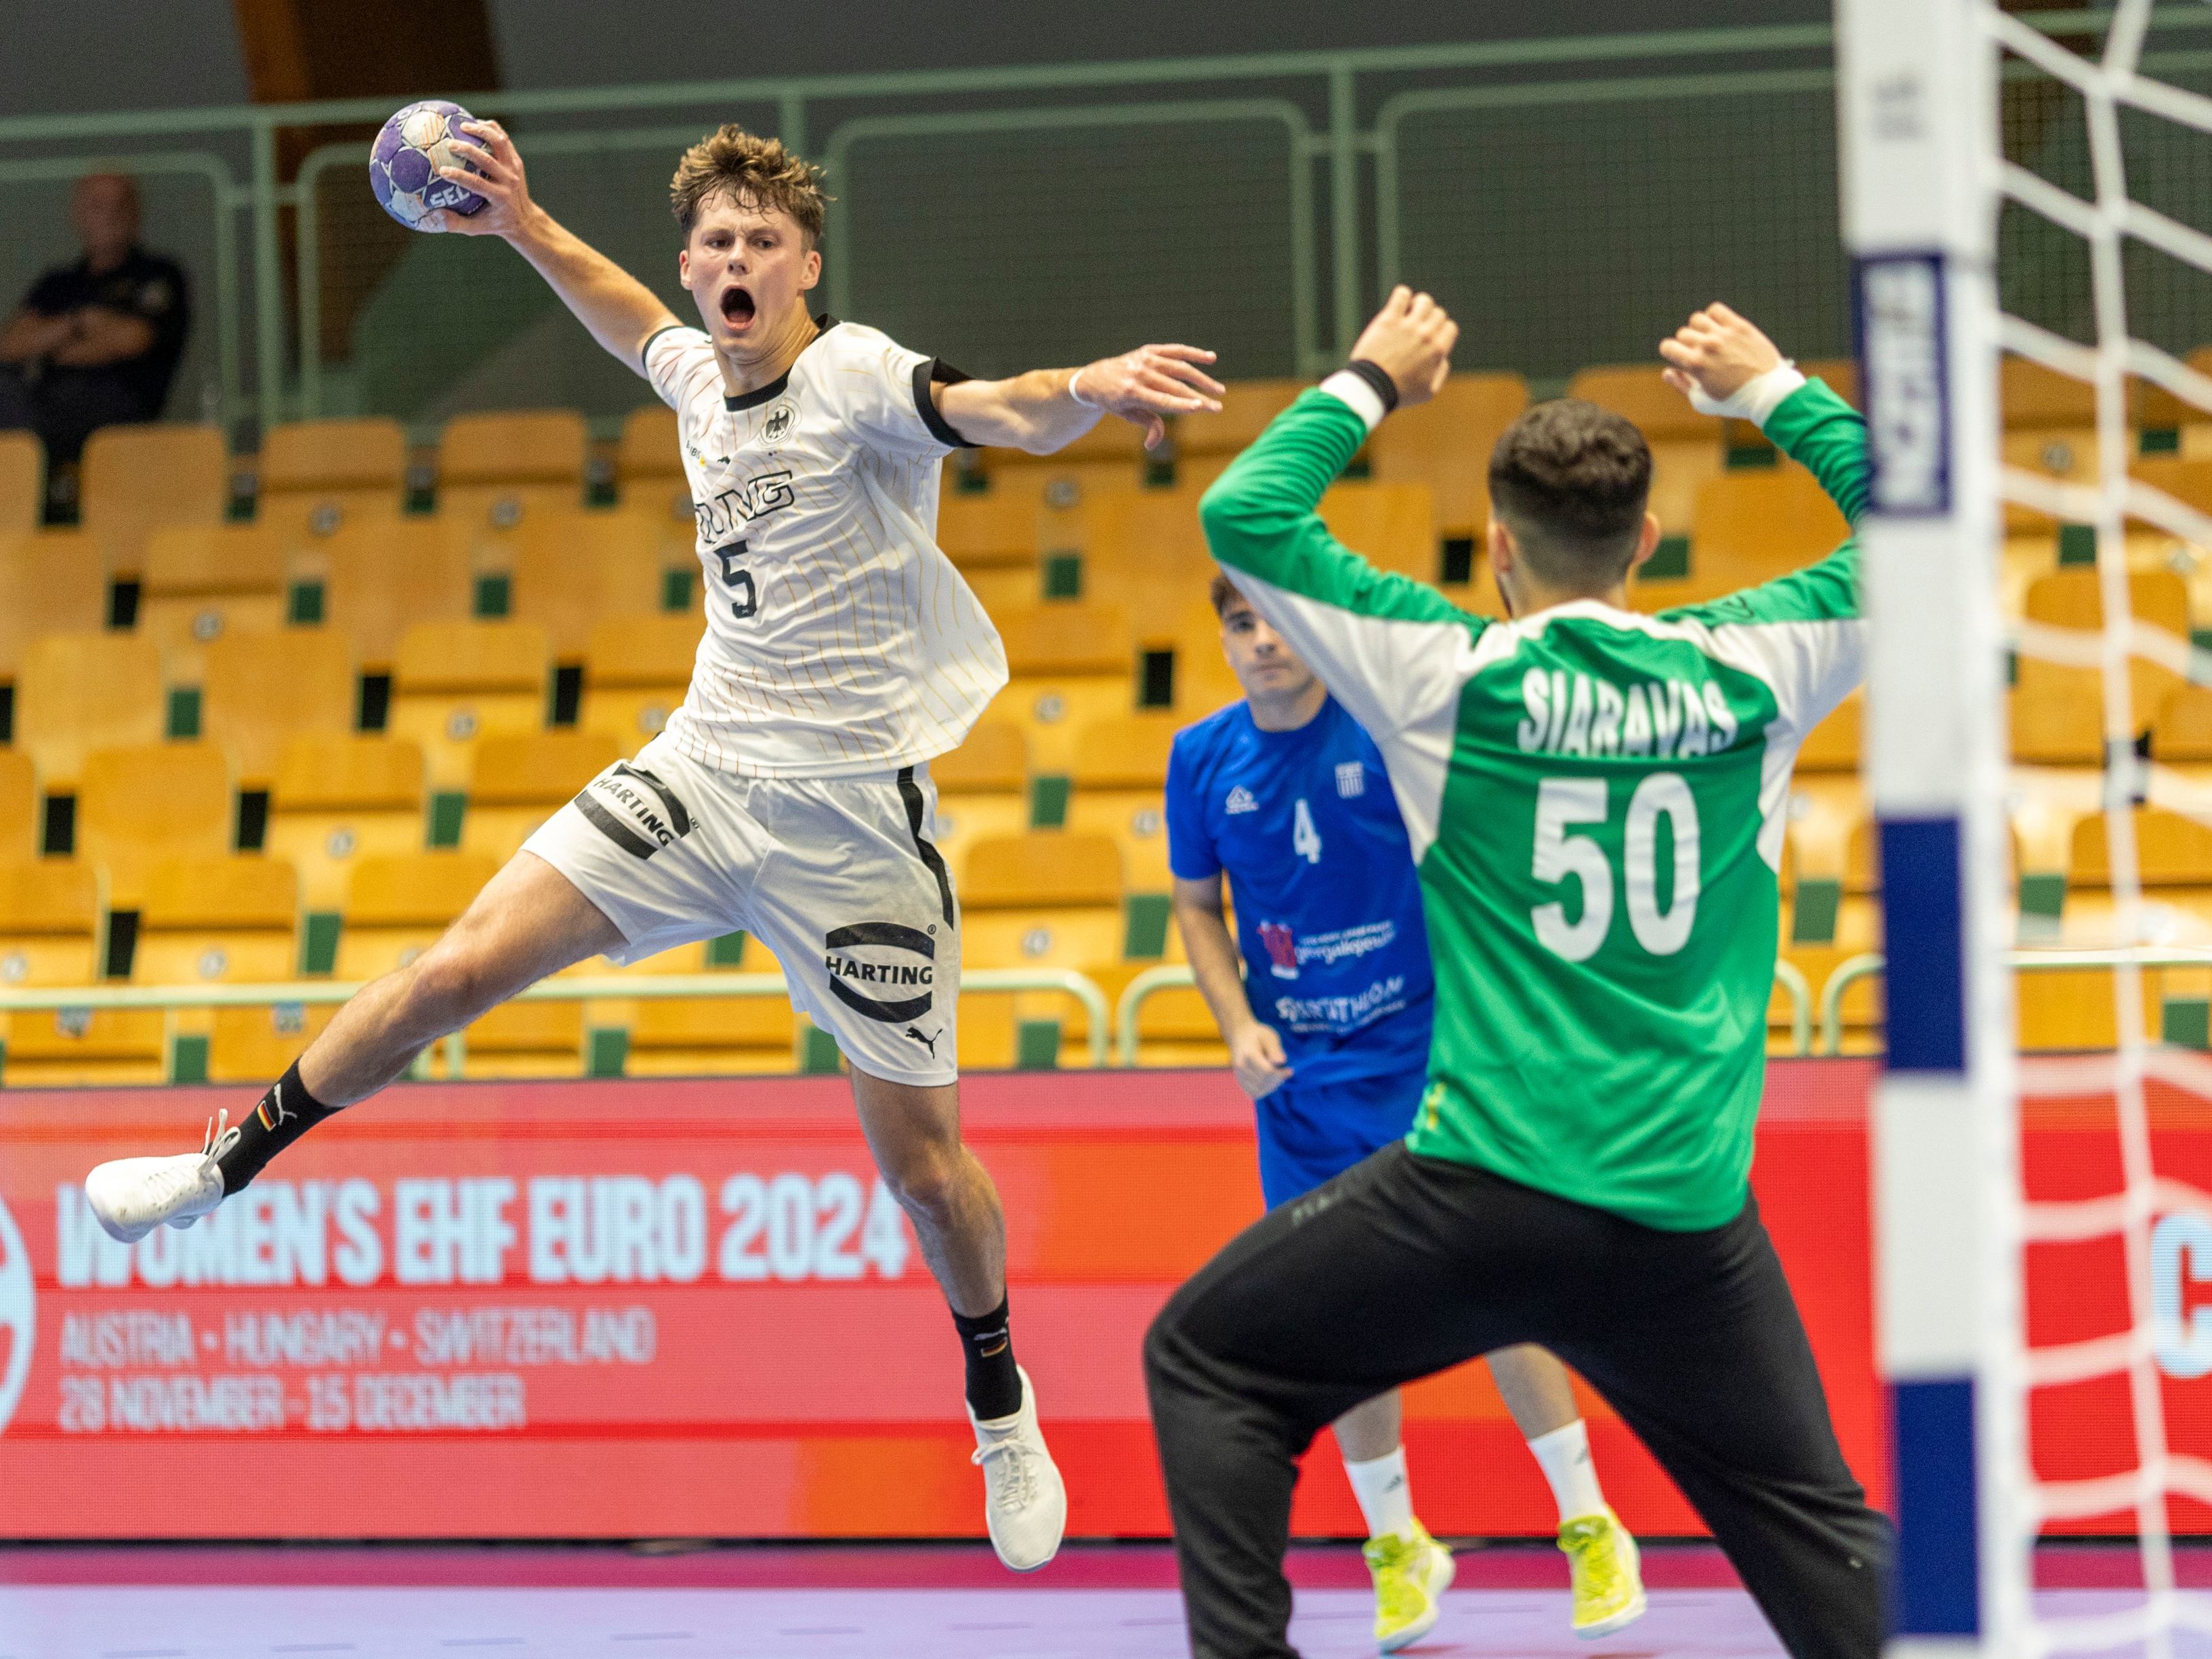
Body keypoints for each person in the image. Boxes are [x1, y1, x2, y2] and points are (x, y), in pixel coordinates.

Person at [81, 121, 1226, 1574]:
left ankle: (998, 1396)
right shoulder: (695, 368)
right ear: (695, 268)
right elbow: (628, 317)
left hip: (851, 823)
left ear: (807, 267)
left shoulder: (853, 371)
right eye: (715, 245)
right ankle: (218, 1168)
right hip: (699, 772)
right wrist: (518, 222)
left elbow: (992, 407)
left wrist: (1091, 385)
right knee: (454, 972)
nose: (734, 263)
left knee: (928, 1174)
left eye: (762, 242)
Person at [1142, 288, 1894, 1659]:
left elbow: (1246, 518)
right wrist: (1771, 384)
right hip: (1682, 1215)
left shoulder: (1448, 679)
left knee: (1207, 1361)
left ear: (1496, 548)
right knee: (1819, 1527)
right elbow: (1922, 529)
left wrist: (1373, 376)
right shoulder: (1750, 674)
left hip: (1481, 1196)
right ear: (1647, 540)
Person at [1165, 574, 1644, 1648]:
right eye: (1238, 625)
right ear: (1225, 641)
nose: (1260, 640)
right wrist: (1237, 1021)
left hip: (1426, 1062)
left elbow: (1471, 860)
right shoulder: (1199, 759)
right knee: (1336, 1321)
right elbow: (1196, 908)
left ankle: (1588, 1523)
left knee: (1496, 1293)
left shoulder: (1383, 731)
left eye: (1275, 619)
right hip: (1297, 1091)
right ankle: (1398, 1548)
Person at [0, 173, 190, 471]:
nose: (110, 216)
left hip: (120, 413)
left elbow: (135, 339)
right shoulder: (58, 283)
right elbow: (11, 346)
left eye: (119, 205)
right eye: (98, 205)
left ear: (136, 213)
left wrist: (54, 342)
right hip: (44, 407)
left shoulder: (157, 274)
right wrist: (80, 323)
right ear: (78, 214)